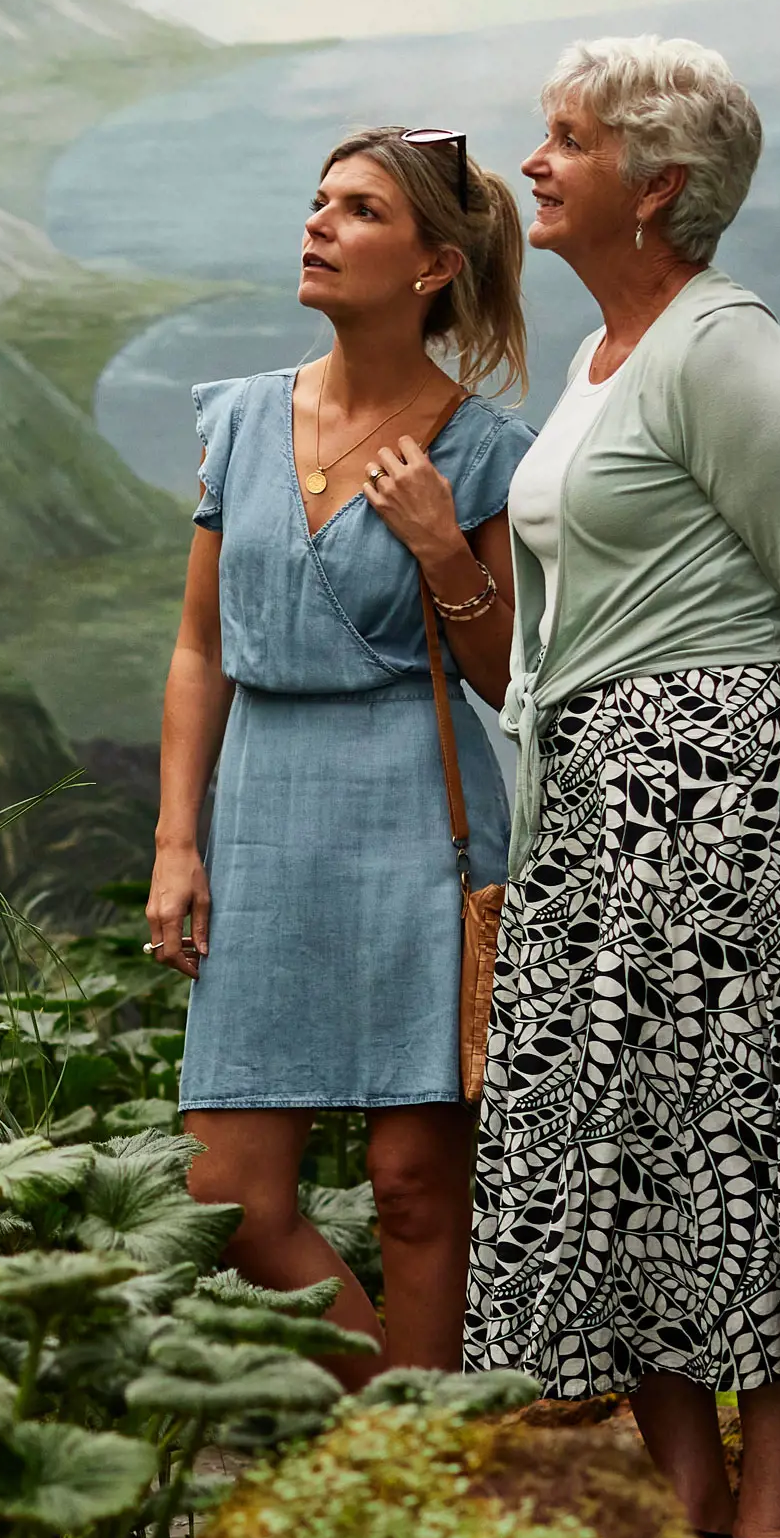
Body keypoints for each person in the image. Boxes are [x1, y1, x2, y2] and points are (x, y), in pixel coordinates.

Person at [460, 37, 780, 1538]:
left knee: (751, 1130)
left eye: (567, 138)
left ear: (657, 186)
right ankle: (684, 1502)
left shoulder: (725, 348)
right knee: (629, 1147)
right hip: (602, 802)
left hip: (732, 787)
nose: (534, 162)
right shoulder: (602, 359)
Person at [148, 126, 533, 1372]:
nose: (317, 224)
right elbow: (199, 648)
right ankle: (402, 1444)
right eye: (317, 200)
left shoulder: (478, 451)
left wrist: (437, 544)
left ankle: (417, 1485)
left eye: (358, 210)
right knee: (226, 1191)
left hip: (419, 818)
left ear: (430, 265)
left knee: (416, 1184)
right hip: (261, 815)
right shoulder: (244, 419)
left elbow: (500, 677)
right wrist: (175, 842)